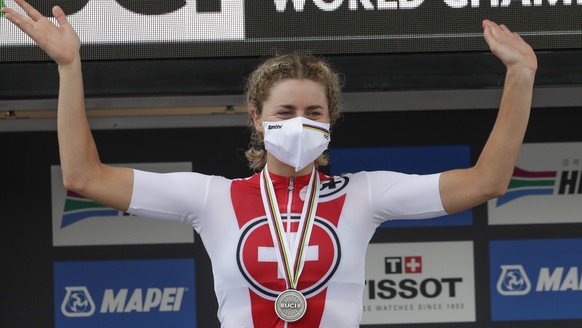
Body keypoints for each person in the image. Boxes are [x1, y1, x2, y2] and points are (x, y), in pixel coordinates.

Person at [2, 0, 537, 327]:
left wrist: (521, 76)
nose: (300, 122)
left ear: (330, 121)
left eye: (314, 112)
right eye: (286, 111)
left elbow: (487, 182)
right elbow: (84, 177)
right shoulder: (212, 199)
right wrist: (70, 68)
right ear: (258, 118)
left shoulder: (364, 194)